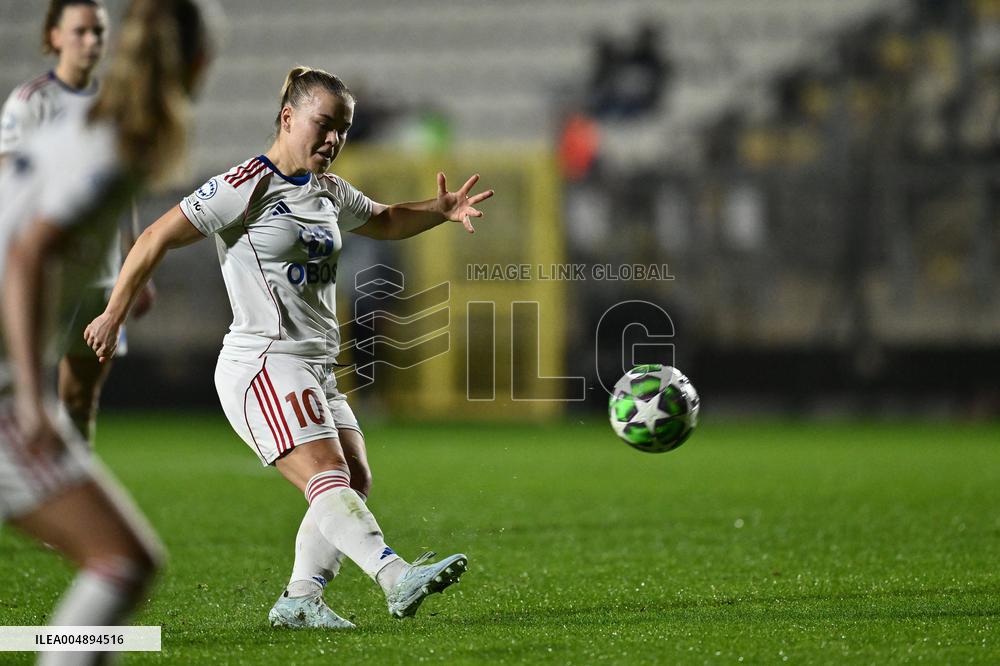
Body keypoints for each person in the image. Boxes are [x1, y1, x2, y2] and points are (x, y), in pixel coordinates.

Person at [85, 66, 493, 628]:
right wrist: (114, 311)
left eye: (343, 131)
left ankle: (301, 599)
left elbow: (383, 219)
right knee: (326, 473)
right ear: (288, 117)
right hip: (264, 361)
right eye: (324, 125)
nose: (333, 140)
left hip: (317, 366)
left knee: (353, 476)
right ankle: (396, 576)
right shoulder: (245, 183)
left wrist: (438, 211)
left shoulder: (326, 190)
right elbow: (156, 235)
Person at [0, 0, 212, 659]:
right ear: (199, 65)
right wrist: (32, 398)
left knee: (122, 561)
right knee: (121, 562)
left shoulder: (97, 127)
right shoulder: (112, 140)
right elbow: (28, 253)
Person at [0, 0, 155, 445]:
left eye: (99, 33)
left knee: (81, 397)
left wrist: (132, 266)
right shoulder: (30, 103)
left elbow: (120, 196)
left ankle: (73, 470)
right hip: (44, 267)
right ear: (54, 37)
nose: (91, 42)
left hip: (102, 274)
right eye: (80, 31)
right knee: (21, 388)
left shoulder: (114, 105)